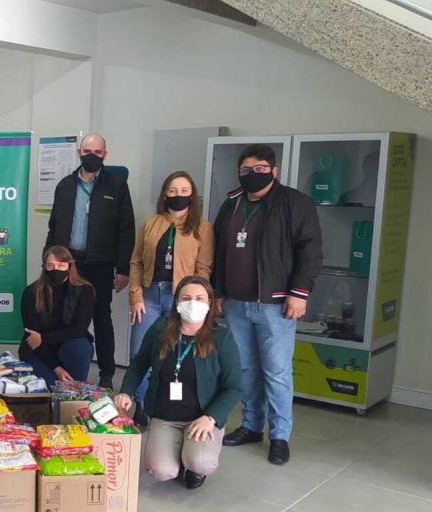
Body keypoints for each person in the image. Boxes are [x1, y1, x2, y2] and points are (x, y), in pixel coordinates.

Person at [212, 144, 322, 466]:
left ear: (274, 171)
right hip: (236, 304)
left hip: (276, 305)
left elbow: (311, 250)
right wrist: (218, 291)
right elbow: (218, 251)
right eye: (245, 170)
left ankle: (279, 436)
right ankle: (251, 426)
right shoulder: (231, 204)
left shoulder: (295, 203)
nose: (252, 175)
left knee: (276, 372)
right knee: (245, 370)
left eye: (259, 169)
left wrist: (300, 292)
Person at [114, 276, 241, 489]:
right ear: (177, 302)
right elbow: (139, 364)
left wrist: (211, 418)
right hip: (165, 416)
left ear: (209, 303)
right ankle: (177, 456)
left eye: (200, 298)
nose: (193, 303)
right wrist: (126, 392)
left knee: (201, 462)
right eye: (186, 298)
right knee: (161, 471)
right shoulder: (160, 328)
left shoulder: (222, 337)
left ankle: (193, 467)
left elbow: (234, 386)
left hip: (202, 417)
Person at [45, 133, 134, 388]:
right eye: (87, 151)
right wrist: (48, 260)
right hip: (69, 262)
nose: (91, 156)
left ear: (105, 154)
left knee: (101, 317)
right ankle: (61, 367)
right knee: (63, 314)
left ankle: (106, 374)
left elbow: (126, 230)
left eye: (97, 152)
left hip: (101, 264)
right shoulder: (65, 185)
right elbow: (54, 226)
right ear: (79, 153)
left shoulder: (116, 186)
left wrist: (123, 269)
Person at [127, 171, 214, 425]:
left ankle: (172, 406)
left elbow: (203, 269)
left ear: (192, 195)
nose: (178, 195)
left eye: (184, 191)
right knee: (140, 352)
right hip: (150, 295)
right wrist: (135, 295)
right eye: (173, 190)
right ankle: (140, 405)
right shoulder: (150, 224)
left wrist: (197, 302)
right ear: (165, 194)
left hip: (183, 299)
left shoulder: (203, 228)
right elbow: (136, 262)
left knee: (176, 355)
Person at [19, 246, 96, 388]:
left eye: (61, 265)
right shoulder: (31, 292)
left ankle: (77, 393)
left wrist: (44, 338)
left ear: (69, 266)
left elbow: (79, 329)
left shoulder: (85, 290)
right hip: (39, 350)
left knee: (80, 348)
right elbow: (32, 337)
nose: (55, 269)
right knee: (49, 387)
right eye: (50, 265)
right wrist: (56, 368)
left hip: (69, 345)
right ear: (44, 267)